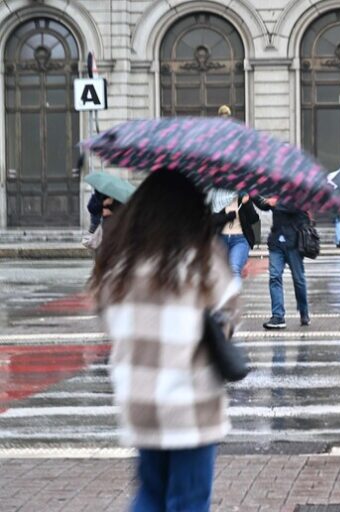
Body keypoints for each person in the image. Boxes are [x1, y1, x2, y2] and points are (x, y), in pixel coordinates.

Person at [88, 170, 240, 512]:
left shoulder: (120, 264)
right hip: (190, 404)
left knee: (150, 494)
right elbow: (228, 319)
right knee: (187, 500)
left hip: (140, 401)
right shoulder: (202, 258)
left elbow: (110, 321)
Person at [256, 197, 312, 330]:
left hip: (294, 243)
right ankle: (278, 316)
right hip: (276, 243)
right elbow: (265, 205)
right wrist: (253, 194)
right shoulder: (277, 189)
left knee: (299, 279)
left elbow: (298, 207)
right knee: (274, 277)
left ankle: (304, 311)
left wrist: (278, 203)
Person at [209, 188, 260, 283]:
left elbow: (254, 219)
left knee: (234, 269)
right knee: (220, 272)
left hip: (240, 239)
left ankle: (234, 296)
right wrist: (227, 217)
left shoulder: (242, 197)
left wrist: (247, 203)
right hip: (221, 240)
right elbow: (212, 220)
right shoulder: (218, 199)